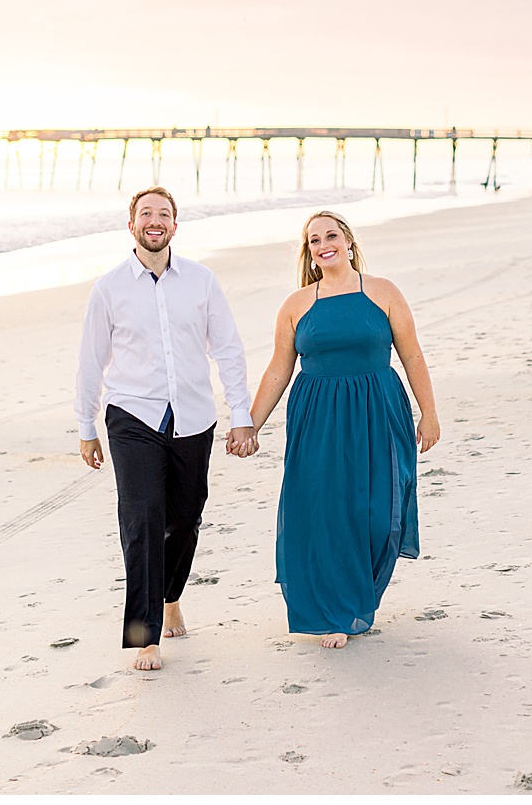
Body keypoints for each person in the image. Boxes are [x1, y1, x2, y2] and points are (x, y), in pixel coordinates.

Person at [76, 186, 257, 671]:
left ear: (174, 226)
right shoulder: (109, 288)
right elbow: (91, 361)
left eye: (164, 214)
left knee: (186, 516)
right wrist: (85, 425)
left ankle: (171, 595)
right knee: (142, 521)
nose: (154, 221)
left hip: (193, 417)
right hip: (132, 417)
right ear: (131, 225)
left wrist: (242, 415)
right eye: (145, 214)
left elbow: (228, 349)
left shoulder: (201, 280)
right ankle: (143, 636)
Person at [247, 211, 440, 647]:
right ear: (309, 252)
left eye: (330, 235)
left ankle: (359, 596)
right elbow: (279, 368)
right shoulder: (297, 304)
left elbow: (412, 356)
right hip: (318, 416)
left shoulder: (384, 292)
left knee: (376, 509)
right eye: (314, 240)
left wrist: (428, 412)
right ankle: (338, 611)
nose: (323, 244)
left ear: (348, 241)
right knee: (323, 509)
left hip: (379, 409)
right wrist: (250, 425)